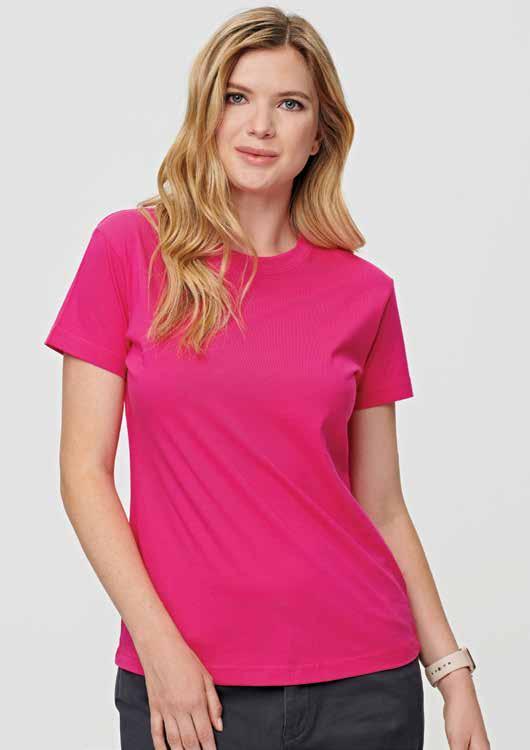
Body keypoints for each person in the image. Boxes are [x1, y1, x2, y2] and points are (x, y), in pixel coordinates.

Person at [43, 6, 491, 750]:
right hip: (189, 688)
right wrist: (159, 647)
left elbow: (382, 506)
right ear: (207, 113)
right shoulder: (129, 250)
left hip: (364, 688)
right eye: (237, 97)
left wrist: (452, 672)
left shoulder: (365, 294)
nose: (260, 125)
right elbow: (82, 474)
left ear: (319, 135)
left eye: (289, 104)